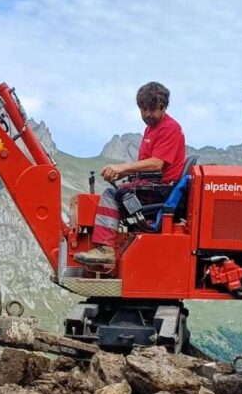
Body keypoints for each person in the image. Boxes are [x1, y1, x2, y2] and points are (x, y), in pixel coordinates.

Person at [79, 81, 187, 266]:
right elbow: (146, 166)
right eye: (143, 109)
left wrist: (122, 168)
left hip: (162, 189)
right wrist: (122, 175)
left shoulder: (170, 128)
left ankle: (105, 248)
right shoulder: (151, 129)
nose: (146, 115)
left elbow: (156, 164)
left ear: (164, 107)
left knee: (112, 194)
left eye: (152, 109)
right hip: (154, 186)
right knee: (118, 190)